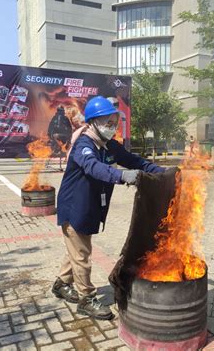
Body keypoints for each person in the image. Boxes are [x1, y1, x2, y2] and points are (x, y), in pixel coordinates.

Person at [52, 96, 165, 320]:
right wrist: (123, 176)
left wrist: (161, 171)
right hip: (75, 207)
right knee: (82, 253)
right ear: (93, 122)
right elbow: (94, 168)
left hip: (91, 206)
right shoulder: (84, 144)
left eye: (114, 122)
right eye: (107, 122)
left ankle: (61, 284)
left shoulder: (108, 145)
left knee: (76, 249)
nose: (111, 127)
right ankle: (87, 299)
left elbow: (135, 161)